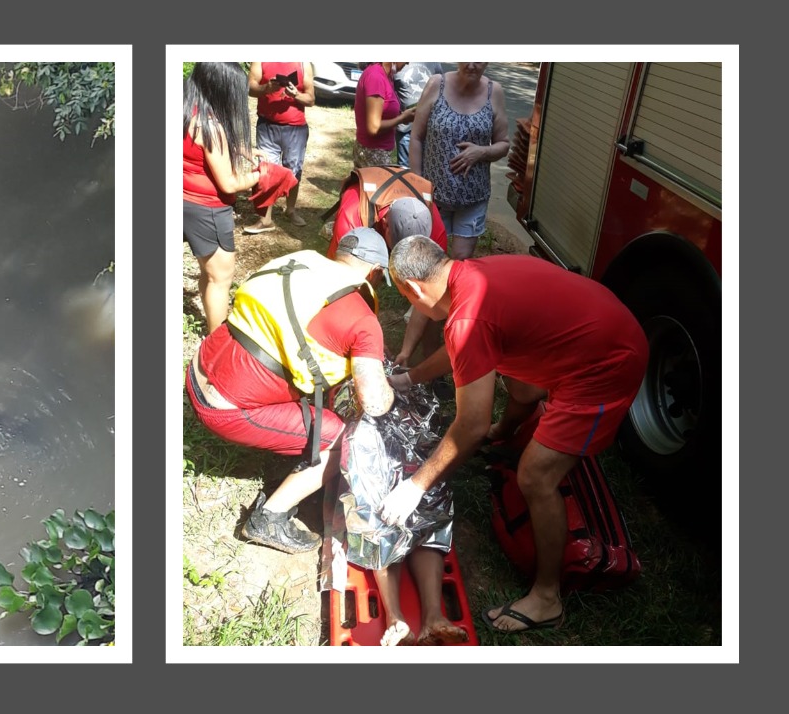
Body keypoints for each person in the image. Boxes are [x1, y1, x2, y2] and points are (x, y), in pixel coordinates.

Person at [378, 236, 649, 633]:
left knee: (535, 475)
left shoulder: (468, 318)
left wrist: (414, 487)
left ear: (415, 289)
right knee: (517, 377)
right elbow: (463, 348)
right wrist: (411, 378)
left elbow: (469, 426)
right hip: (601, 324)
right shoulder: (469, 275)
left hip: (607, 361)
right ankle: (506, 432)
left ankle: (546, 598)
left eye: (406, 298)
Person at [186, 228, 395, 554]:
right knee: (345, 438)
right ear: (376, 271)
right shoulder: (363, 320)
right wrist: (390, 387)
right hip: (221, 406)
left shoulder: (301, 261)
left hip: (199, 369)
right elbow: (374, 402)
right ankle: (269, 518)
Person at [323, 166, 448, 372]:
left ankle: (430, 357)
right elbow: (342, 284)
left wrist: (406, 350)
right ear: (386, 224)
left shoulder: (435, 226)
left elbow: (429, 294)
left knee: (433, 293)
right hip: (362, 222)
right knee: (351, 289)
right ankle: (343, 349)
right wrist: (370, 336)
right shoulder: (353, 216)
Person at [183, 62, 263, 334]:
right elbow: (229, 183)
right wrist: (260, 175)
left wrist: (243, 151)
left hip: (182, 200)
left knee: (207, 271)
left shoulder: (183, 110)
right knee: (220, 277)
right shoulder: (210, 127)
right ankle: (217, 343)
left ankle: (209, 323)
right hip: (207, 210)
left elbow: (200, 155)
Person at [408, 62, 509, 261]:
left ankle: (454, 292)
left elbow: (503, 144)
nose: (472, 65)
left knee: (461, 261)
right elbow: (416, 137)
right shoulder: (437, 84)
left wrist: (481, 152)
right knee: (431, 259)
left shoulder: (494, 92)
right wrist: (417, 184)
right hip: (434, 197)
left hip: (473, 198)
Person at [243, 62, 315, 233]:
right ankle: (265, 219)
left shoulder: (303, 62)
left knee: (294, 169)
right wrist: (266, 88)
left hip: (296, 128)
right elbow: (249, 87)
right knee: (267, 171)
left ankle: (290, 210)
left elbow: (311, 99)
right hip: (267, 126)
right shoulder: (261, 59)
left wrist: (296, 94)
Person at [353, 63, 416, 168]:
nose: (408, 62)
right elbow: (373, 127)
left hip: (378, 152)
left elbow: (383, 110)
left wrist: (402, 115)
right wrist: (402, 119)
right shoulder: (376, 77)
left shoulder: (386, 75)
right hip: (373, 153)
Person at [392, 62, 443, 168]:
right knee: (403, 169)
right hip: (405, 128)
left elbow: (441, 87)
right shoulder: (398, 63)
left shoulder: (433, 62)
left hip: (427, 127)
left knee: (427, 166)